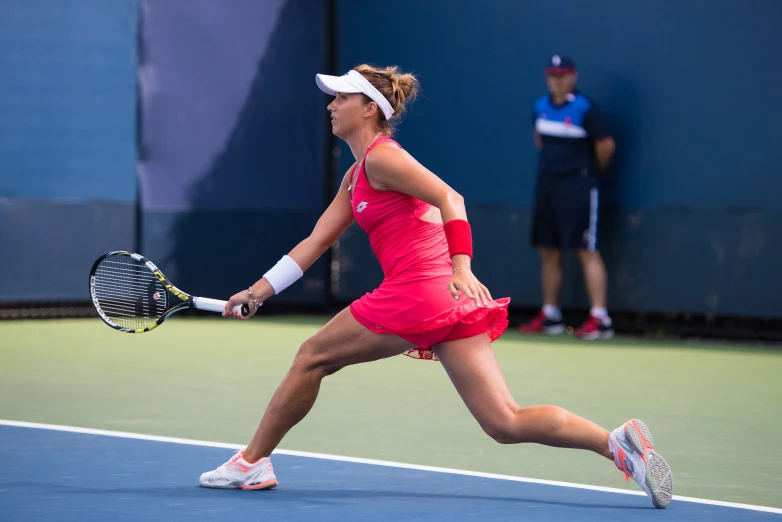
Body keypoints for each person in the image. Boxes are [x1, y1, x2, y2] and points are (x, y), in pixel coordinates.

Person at [198, 64, 673, 508]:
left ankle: (251, 462)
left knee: (311, 357)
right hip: (444, 299)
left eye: (340, 97)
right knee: (503, 422)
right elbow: (316, 241)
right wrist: (258, 291)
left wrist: (461, 267)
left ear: (368, 109)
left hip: (420, 289)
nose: (330, 105)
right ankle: (615, 443)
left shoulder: (383, 158)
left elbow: (450, 197)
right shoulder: (356, 175)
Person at [519, 55, 617, 340]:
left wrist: (586, 174)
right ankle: (551, 315)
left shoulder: (587, 109)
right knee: (548, 249)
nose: (557, 80)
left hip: (579, 189)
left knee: (586, 250)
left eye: (562, 74)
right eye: (552, 75)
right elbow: (540, 141)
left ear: (573, 76)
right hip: (547, 187)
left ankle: (600, 319)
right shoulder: (540, 107)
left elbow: (606, 147)